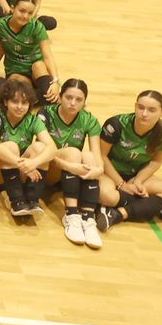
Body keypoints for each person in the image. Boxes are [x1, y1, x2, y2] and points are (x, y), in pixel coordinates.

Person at [96, 90, 162, 232]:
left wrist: (138, 181)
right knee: (106, 196)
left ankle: (119, 214)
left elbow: (155, 162)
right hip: (110, 173)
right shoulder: (116, 125)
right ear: (135, 106)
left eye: (151, 110)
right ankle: (155, 207)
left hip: (137, 175)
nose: (144, 114)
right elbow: (101, 156)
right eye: (141, 107)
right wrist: (121, 185)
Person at [38, 79, 104, 247]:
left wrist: (98, 170)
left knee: (89, 157)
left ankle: (88, 219)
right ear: (60, 97)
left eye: (79, 100)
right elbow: (41, 153)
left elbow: (97, 155)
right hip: (49, 169)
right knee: (74, 152)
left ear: (84, 102)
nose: (73, 103)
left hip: (71, 173)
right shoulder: (45, 114)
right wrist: (70, 166)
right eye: (68, 97)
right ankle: (71, 214)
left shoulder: (89, 119)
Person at [0, 79, 56, 220]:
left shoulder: (33, 120)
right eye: (15, 102)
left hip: (18, 172)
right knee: (10, 146)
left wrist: (34, 163)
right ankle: (17, 201)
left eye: (24, 103)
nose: (19, 107)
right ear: (5, 102)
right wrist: (22, 163)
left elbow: (52, 148)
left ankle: (32, 199)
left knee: (40, 147)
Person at [0, 0, 60, 104]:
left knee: (39, 65)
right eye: (22, 11)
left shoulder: (37, 26)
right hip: (15, 71)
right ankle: (38, 97)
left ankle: (49, 95)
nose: (25, 16)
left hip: (36, 70)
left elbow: (47, 55)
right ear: (13, 8)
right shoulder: (0, 25)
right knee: (16, 86)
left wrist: (55, 81)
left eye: (29, 13)